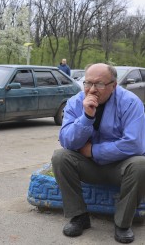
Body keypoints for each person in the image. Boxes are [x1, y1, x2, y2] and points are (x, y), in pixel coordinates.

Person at [51, 63, 145, 243]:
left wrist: (93, 150)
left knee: (141, 164)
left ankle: (123, 223)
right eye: (88, 83)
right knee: (60, 157)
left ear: (113, 85)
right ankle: (79, 216)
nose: (92, 90)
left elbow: (135, 145)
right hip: (90, 167)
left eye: (99, 84)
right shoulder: (75, 102)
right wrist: (86, 117)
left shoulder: (131, 102)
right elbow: (67, 141)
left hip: (121, 167)